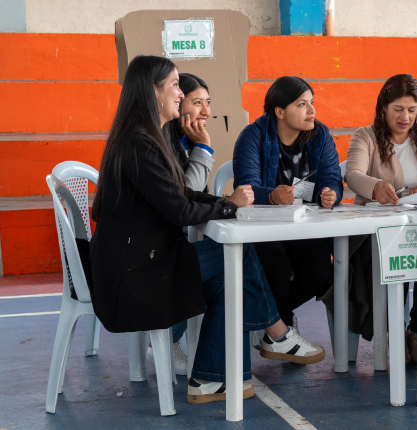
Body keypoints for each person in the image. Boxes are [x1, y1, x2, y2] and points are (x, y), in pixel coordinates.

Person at [89, 56, 324, 406]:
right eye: (173, 85)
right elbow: (180, 210)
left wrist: (225, 201)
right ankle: (276, 334)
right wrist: (229, 206)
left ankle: (211, 380)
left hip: (140, 265)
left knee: (232, 279)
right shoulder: (141, 143)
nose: (179, 94)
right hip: (135, 278)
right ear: (153, 92)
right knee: (239, 256)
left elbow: (180, 194)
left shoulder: (147, 138)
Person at [345, 74, 417, 362]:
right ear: (383, 108)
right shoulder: (364, 136)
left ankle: (415, 328)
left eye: (412, 110)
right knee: (400, 256)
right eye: (398, 109)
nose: (405, 117)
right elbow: (352, 174)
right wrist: (375, 187)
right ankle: (397, 332)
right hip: (377, 230)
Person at [233, 76, 343, 332]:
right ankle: (282, 330)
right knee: (277, 265)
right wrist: (271, 196)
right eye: (302, 104)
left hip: (302, 226)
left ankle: (273, 320)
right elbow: (246, 188)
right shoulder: (253, 136)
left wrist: (331, 193)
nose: (312, 110)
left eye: (312, 102)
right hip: (263, 228)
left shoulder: (320, 134)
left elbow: (332, 177)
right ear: (280, 111)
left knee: (319, 271)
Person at [145, 72, 215, 375]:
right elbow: (185, 200)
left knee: (237, 258)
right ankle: (273, 332)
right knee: (231, 260)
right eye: (196, 102)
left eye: (208, 103)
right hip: (152, 256)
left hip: (166, 244)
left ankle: (271, 332)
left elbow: (193, 197)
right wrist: (204, 149)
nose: (206, 112)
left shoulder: (178, 141)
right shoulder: (159, 144)